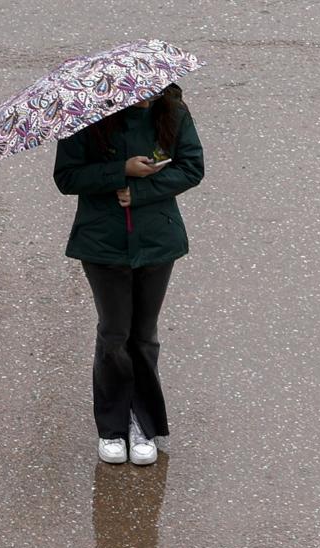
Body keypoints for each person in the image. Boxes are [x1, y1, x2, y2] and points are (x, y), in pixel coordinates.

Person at [53, 84, 204, 465]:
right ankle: (111, 428)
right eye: (137, 93)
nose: (146, 98)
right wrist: (120, 170)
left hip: (158, 240)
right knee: (114, 333)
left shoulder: (173, 113)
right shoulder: (84, 119)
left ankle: (144, 424)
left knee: (143, 336)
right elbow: (67, 178)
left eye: (153, 91)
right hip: (102, 243)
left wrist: (142, 190)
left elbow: (192, 167)